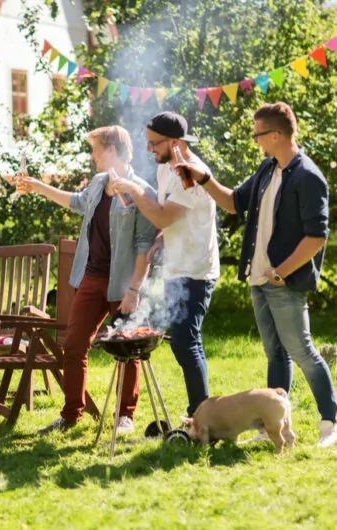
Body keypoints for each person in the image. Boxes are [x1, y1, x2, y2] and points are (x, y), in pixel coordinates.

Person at [182, 101, 337, 447]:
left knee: (302, 351)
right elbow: (233, 202)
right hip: (260, 280)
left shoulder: (308, 177)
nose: (255, 140)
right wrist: (203, 178)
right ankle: (273, 429)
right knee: (275, 354)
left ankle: (331, 422)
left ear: (277, 134)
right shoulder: (268, 169)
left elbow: (316, 237)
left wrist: (281, 272)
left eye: (258, 134)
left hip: (285, 281)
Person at [17, 126, 158, 435]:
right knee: (74, 345)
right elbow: (75, 201)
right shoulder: (98, 183)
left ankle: (124, 416)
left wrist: (134, 290)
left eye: (95, 150)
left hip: (124, 284)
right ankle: (70, 415)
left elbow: (144, 247)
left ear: (111, 150)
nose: (93, 157)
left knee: (127, 348)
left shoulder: (142, 192)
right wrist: (37, 186)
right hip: (92, 278)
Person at [112, 111, 219, 417]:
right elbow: (168, 216)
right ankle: (199, 414)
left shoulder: (191, 174)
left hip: (196, 270)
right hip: (176, 267)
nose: (148, 149)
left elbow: (160, 215)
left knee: (186, 342)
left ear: (174, 142)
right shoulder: (165, 167)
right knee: (183, 343)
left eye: (153, 143)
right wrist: (161, 238)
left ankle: (201, 417)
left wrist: (134, 190)